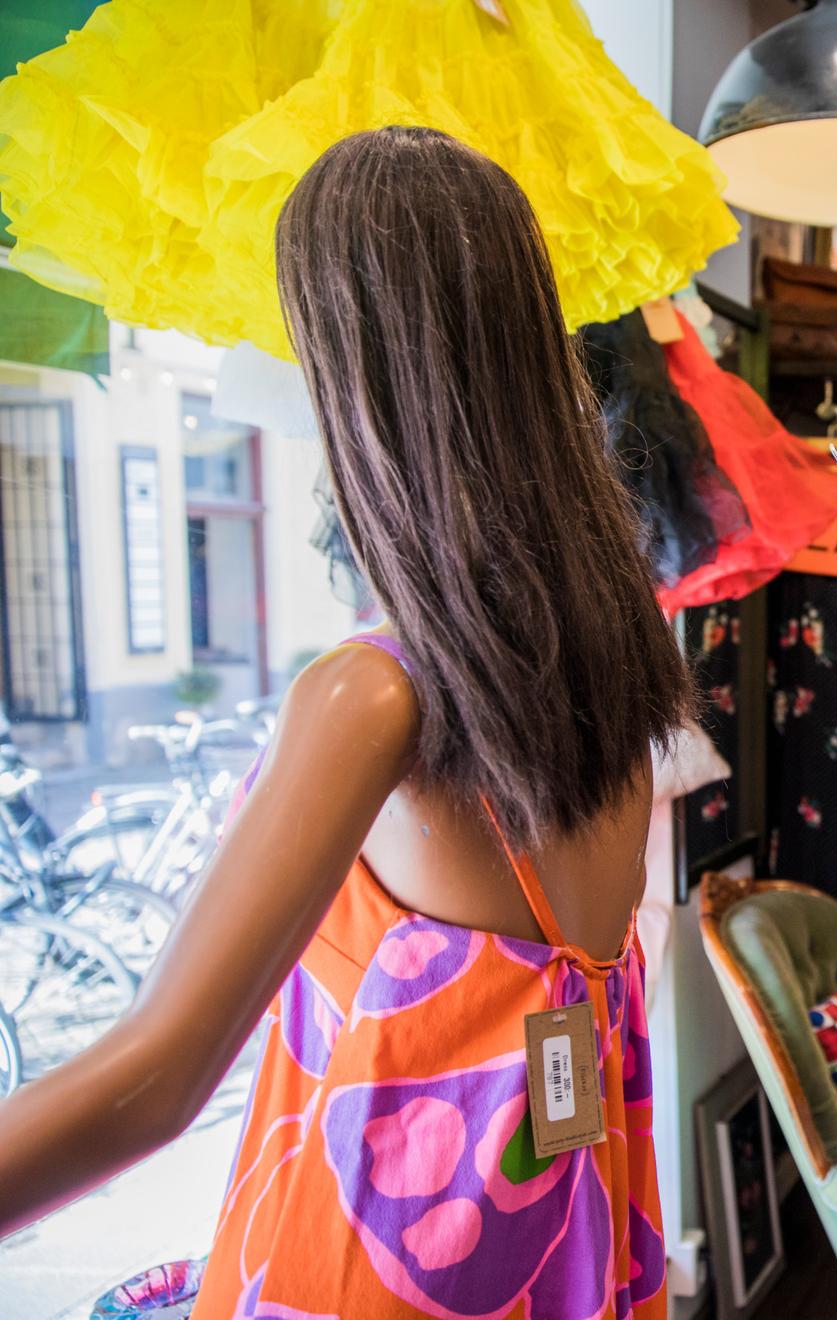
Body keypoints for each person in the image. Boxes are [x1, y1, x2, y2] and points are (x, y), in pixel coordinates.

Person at [0, 127, 693, 1317]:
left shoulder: (373, 697)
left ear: (354, 373)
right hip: (551, 1258)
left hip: (375, 1266)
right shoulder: (611, 663)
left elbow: (159, 1074)